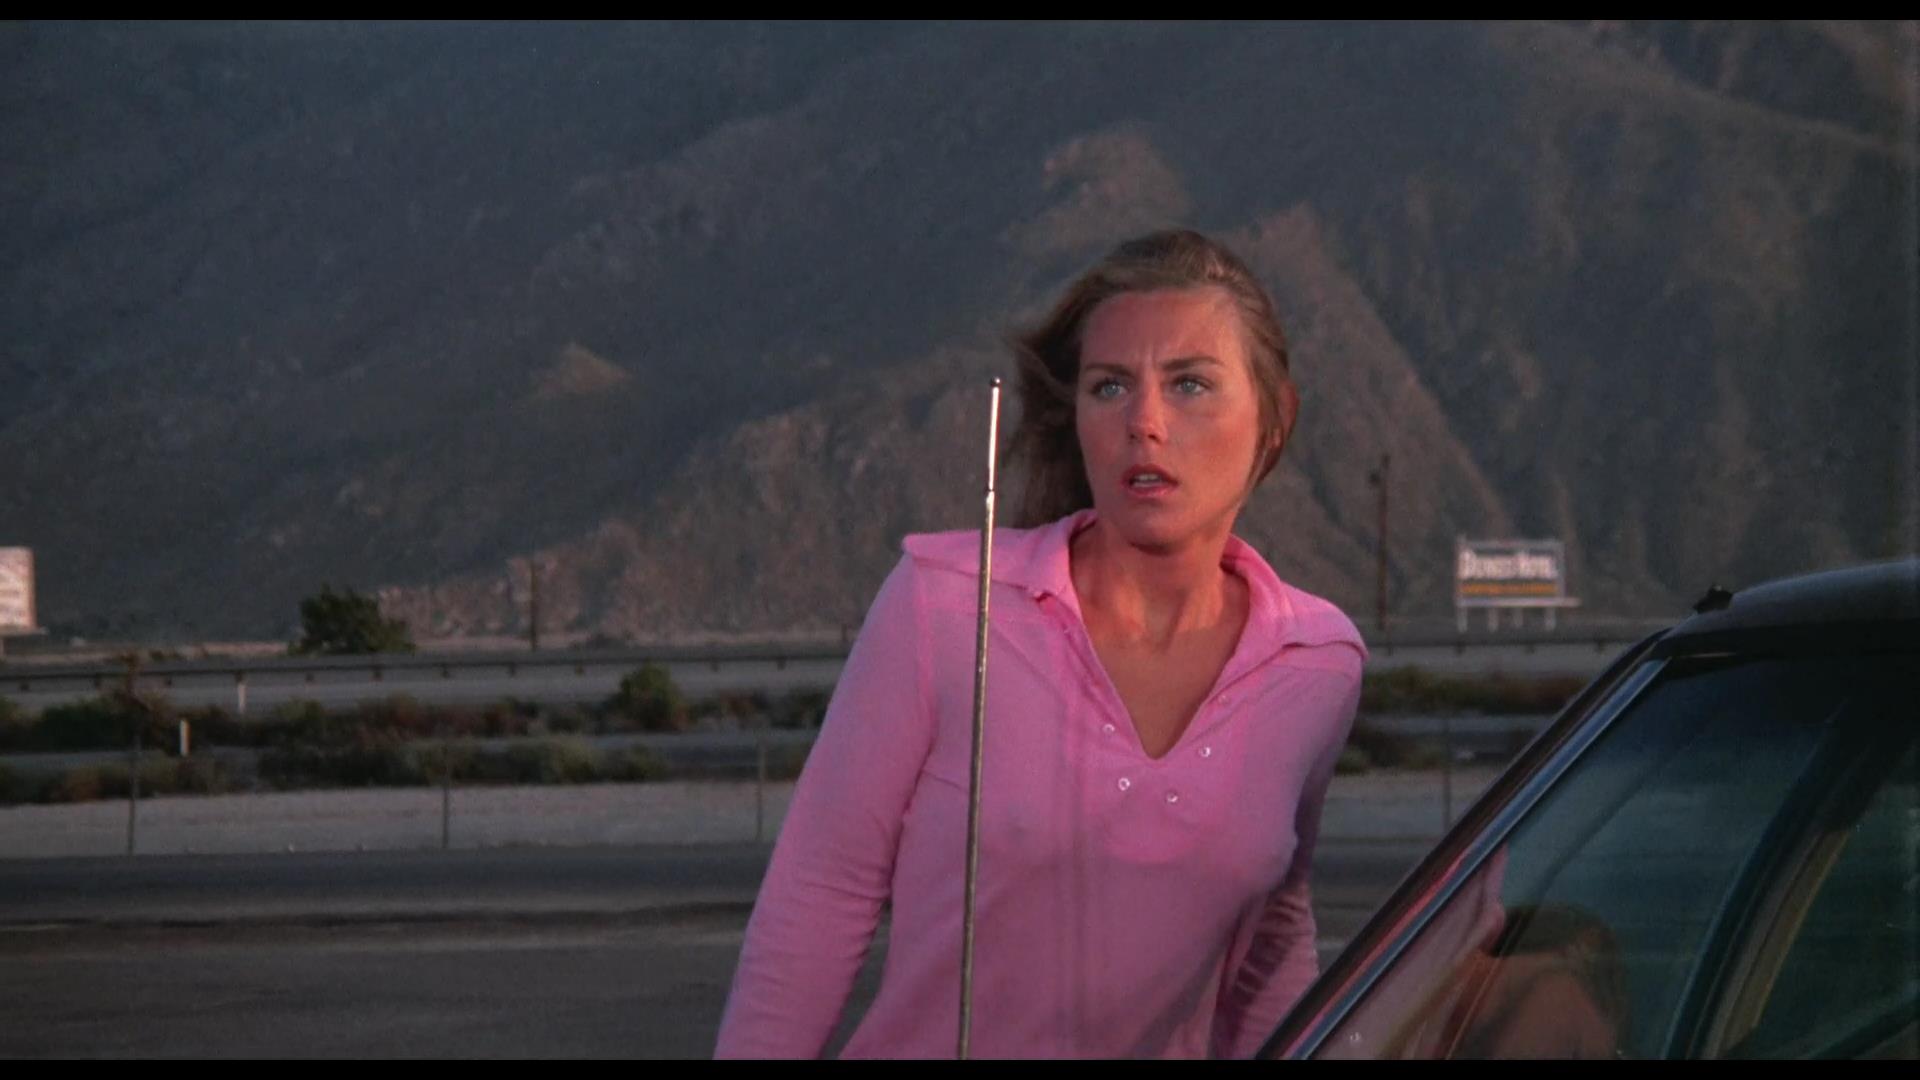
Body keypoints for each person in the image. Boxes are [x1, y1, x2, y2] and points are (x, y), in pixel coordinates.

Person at [714, 229, 1368, 1058]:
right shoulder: (946, 604)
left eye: (1191, 383)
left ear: (1275, 418)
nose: (1145, 423)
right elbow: (820, 894)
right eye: (1109, 387)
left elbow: (1273, 931)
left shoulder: (1315, 662)